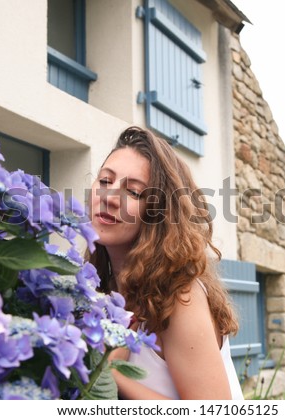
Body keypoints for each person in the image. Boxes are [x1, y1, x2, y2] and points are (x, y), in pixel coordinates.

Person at [88, 126, 243, 400]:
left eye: (134, 193)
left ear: (160, 213)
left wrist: (107, 374)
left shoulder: (179, 297)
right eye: (104, 181)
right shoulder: (102, 286)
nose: (109, 198)